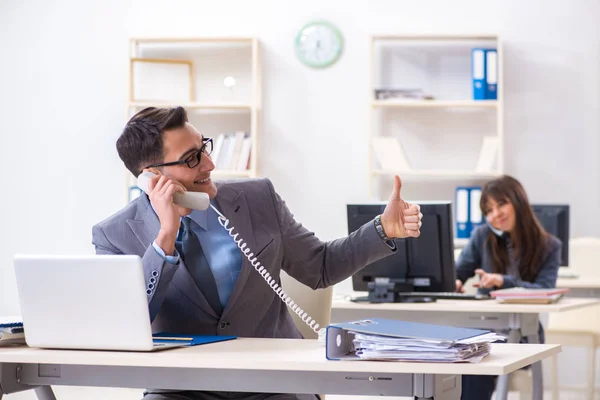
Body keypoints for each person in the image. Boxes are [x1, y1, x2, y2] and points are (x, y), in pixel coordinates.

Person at [92, 106, 423, 400]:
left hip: (274, 380)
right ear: (153, 177)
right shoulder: (114, 235)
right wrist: (165, 236)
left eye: (204, 147)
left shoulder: (257, 198)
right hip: (180, 386)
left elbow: (320, 267)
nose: (210, 162)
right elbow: (126, 324)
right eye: (192, 158)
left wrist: (382, 229)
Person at [454, 175, 562, 400]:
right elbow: (459, 272)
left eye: (501, 204)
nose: (495, 215)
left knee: (478, 354)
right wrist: (452, 282)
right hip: (481, 326)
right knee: (439, 354)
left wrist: (504, 282)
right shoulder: (482, 236)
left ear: (518, 201)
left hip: (522, 332)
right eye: (489, 210)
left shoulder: (549, 246)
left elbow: (544, 290)